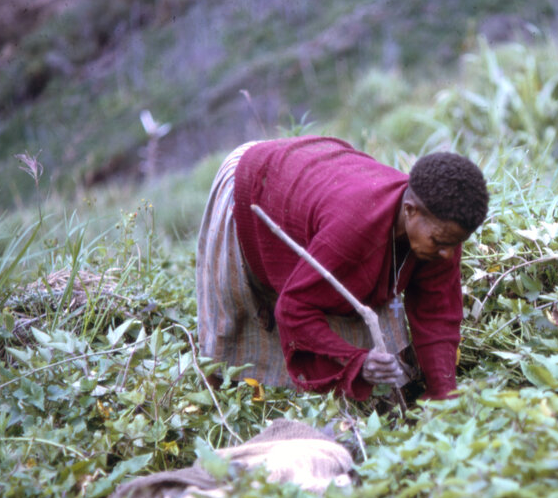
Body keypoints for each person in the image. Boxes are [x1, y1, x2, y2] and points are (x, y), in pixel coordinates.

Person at [196, 135, 488, 402]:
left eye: (454, 244)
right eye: (439, 242)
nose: (447, 254)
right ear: (410, 210)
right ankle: (214, 405)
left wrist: (444, 394)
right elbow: (293, 308)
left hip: (318, 173)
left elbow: (437, 312)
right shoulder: (352, 232)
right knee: (231, 323)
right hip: (254, 180)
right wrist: (356, 363)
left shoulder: (442, 225)